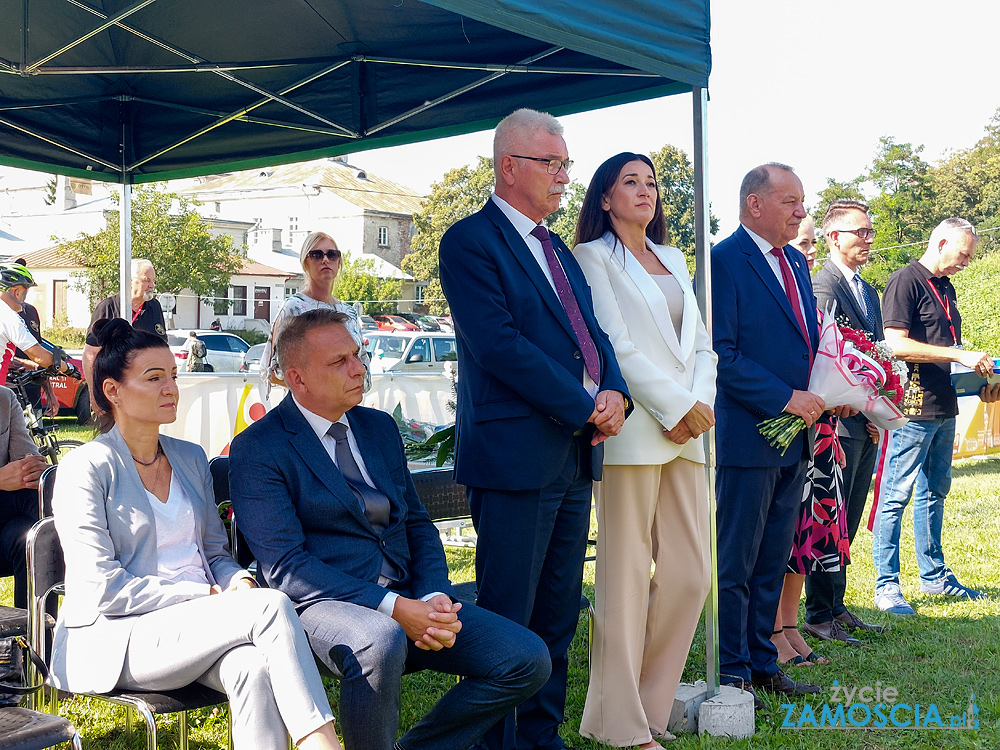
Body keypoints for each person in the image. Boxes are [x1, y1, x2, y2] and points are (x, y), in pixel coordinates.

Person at [229, 309, 550, 750]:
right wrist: (394, 607)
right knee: (379, 640)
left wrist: (434, 592)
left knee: (526, 659)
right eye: (339, 361)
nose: (358, 367)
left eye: (357, 355)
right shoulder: (259, 447)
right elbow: (286, 568)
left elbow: (415, 522)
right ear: (298, 379)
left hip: (411, 598)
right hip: (321, 606)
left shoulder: (377, 427)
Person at [47, 319, 342, 750]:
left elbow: (214, 554)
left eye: (173, 376)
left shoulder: (189, 458)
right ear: (113, 392)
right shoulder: (86, 468)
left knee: (251, 668)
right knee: (271, 605)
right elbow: (102, 590)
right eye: (154, 378)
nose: (171, 388)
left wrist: (235, 580)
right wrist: (203, 596)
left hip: (193, 629)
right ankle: (323, 743)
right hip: (121, 638)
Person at [438, 108, 630, 750]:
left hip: (574, 458)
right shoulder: (470, 241)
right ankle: (496, 743)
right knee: (507, 623)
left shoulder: (558, 250)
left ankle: (541, 739)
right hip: (515, 458)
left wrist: (616, 395)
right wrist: (584, 405)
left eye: (566, 164)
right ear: (509, 166)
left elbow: (591, 336)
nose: (564, 177)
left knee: (557, 616)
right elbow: (499, 345)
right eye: (553, 164)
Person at [572, 153, 717, 746]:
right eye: (629, 181)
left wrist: (698, 406)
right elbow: (614, 346)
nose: (645, 191)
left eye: (651, 182)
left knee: (691, 574)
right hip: (635, 429)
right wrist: (673, 406)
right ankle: (620, 724)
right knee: (624, 578)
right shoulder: (592, 257)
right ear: (604, 198)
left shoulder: (677, 258)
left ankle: (650, 709)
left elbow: (701, 344)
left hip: (690, 430)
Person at [711, 163, 825, 702]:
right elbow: (721, 355)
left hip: (797, 436)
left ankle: (762, 661)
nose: (802, 212)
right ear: (754, 204)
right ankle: (732, 667)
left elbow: (808, 342)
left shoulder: (798, 263)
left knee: (772, 558)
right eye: (791, 201)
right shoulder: (721, 263)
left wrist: (835, 392)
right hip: (749, 435)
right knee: (738, 558)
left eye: (801, 202)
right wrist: (785, 398)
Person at [872, 218, 1000, 614]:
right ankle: (886, 587)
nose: (967, 262)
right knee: (896, 495)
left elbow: (946, 346)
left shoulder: (946, 287)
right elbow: (895, 344)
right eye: (963, 254)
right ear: (942, 241)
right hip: (913, 407)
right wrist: (960, 355)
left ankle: (934, 578)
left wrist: (981, 382)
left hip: (946, 404)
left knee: (935, 492)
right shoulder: (905, 281)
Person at [802, 199, 886, 640]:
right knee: (828, 519)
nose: (868, 239)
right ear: (835, 237)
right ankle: (818, 613)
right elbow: (828, 354)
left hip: (865, 419)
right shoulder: (823, 285)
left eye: (870, 231)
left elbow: (873, 355)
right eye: (861, 232)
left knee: (848, 517)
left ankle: (837, 605)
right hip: (837, 419)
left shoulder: (867, 290)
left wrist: (878, 407)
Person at [261, 231, 369, 395]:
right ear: (305, 263)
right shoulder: (293, 308)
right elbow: (271, 373)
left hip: (345, 411)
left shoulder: (349, 313)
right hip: (305, 414)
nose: (325, 260)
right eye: (317, 255)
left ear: (339, 262)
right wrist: (321, 393)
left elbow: (364, 372)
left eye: (332, 255)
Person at [82, 258, 167, 385]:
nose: (152, 286)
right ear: (129, 282)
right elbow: (90, 354)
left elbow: (162, 348)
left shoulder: (154, 307)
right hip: (116, 390)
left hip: (149, 389)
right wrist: (94, 397)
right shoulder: (107, 307)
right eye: (146, 280)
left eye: (153, 280)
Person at [0, 384, 47, 608]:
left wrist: (35, 469)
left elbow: (28, 461)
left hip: (6, 520)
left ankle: (36, 639)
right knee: (39, 504)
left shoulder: (4, 398)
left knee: (34, 539)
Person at [5, 259, 59, 417]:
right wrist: (30, 364)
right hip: (8, 389)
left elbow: (39, 352)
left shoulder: (31, 311)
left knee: (36, 437)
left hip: (32, 390)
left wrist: (50, 394)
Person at [0, 265, 69, 382]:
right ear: (17, 292)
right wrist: (68, 368)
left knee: (10, 397)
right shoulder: (8, 316)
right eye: (25, 292)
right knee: (10, 398)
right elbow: (39, 356)